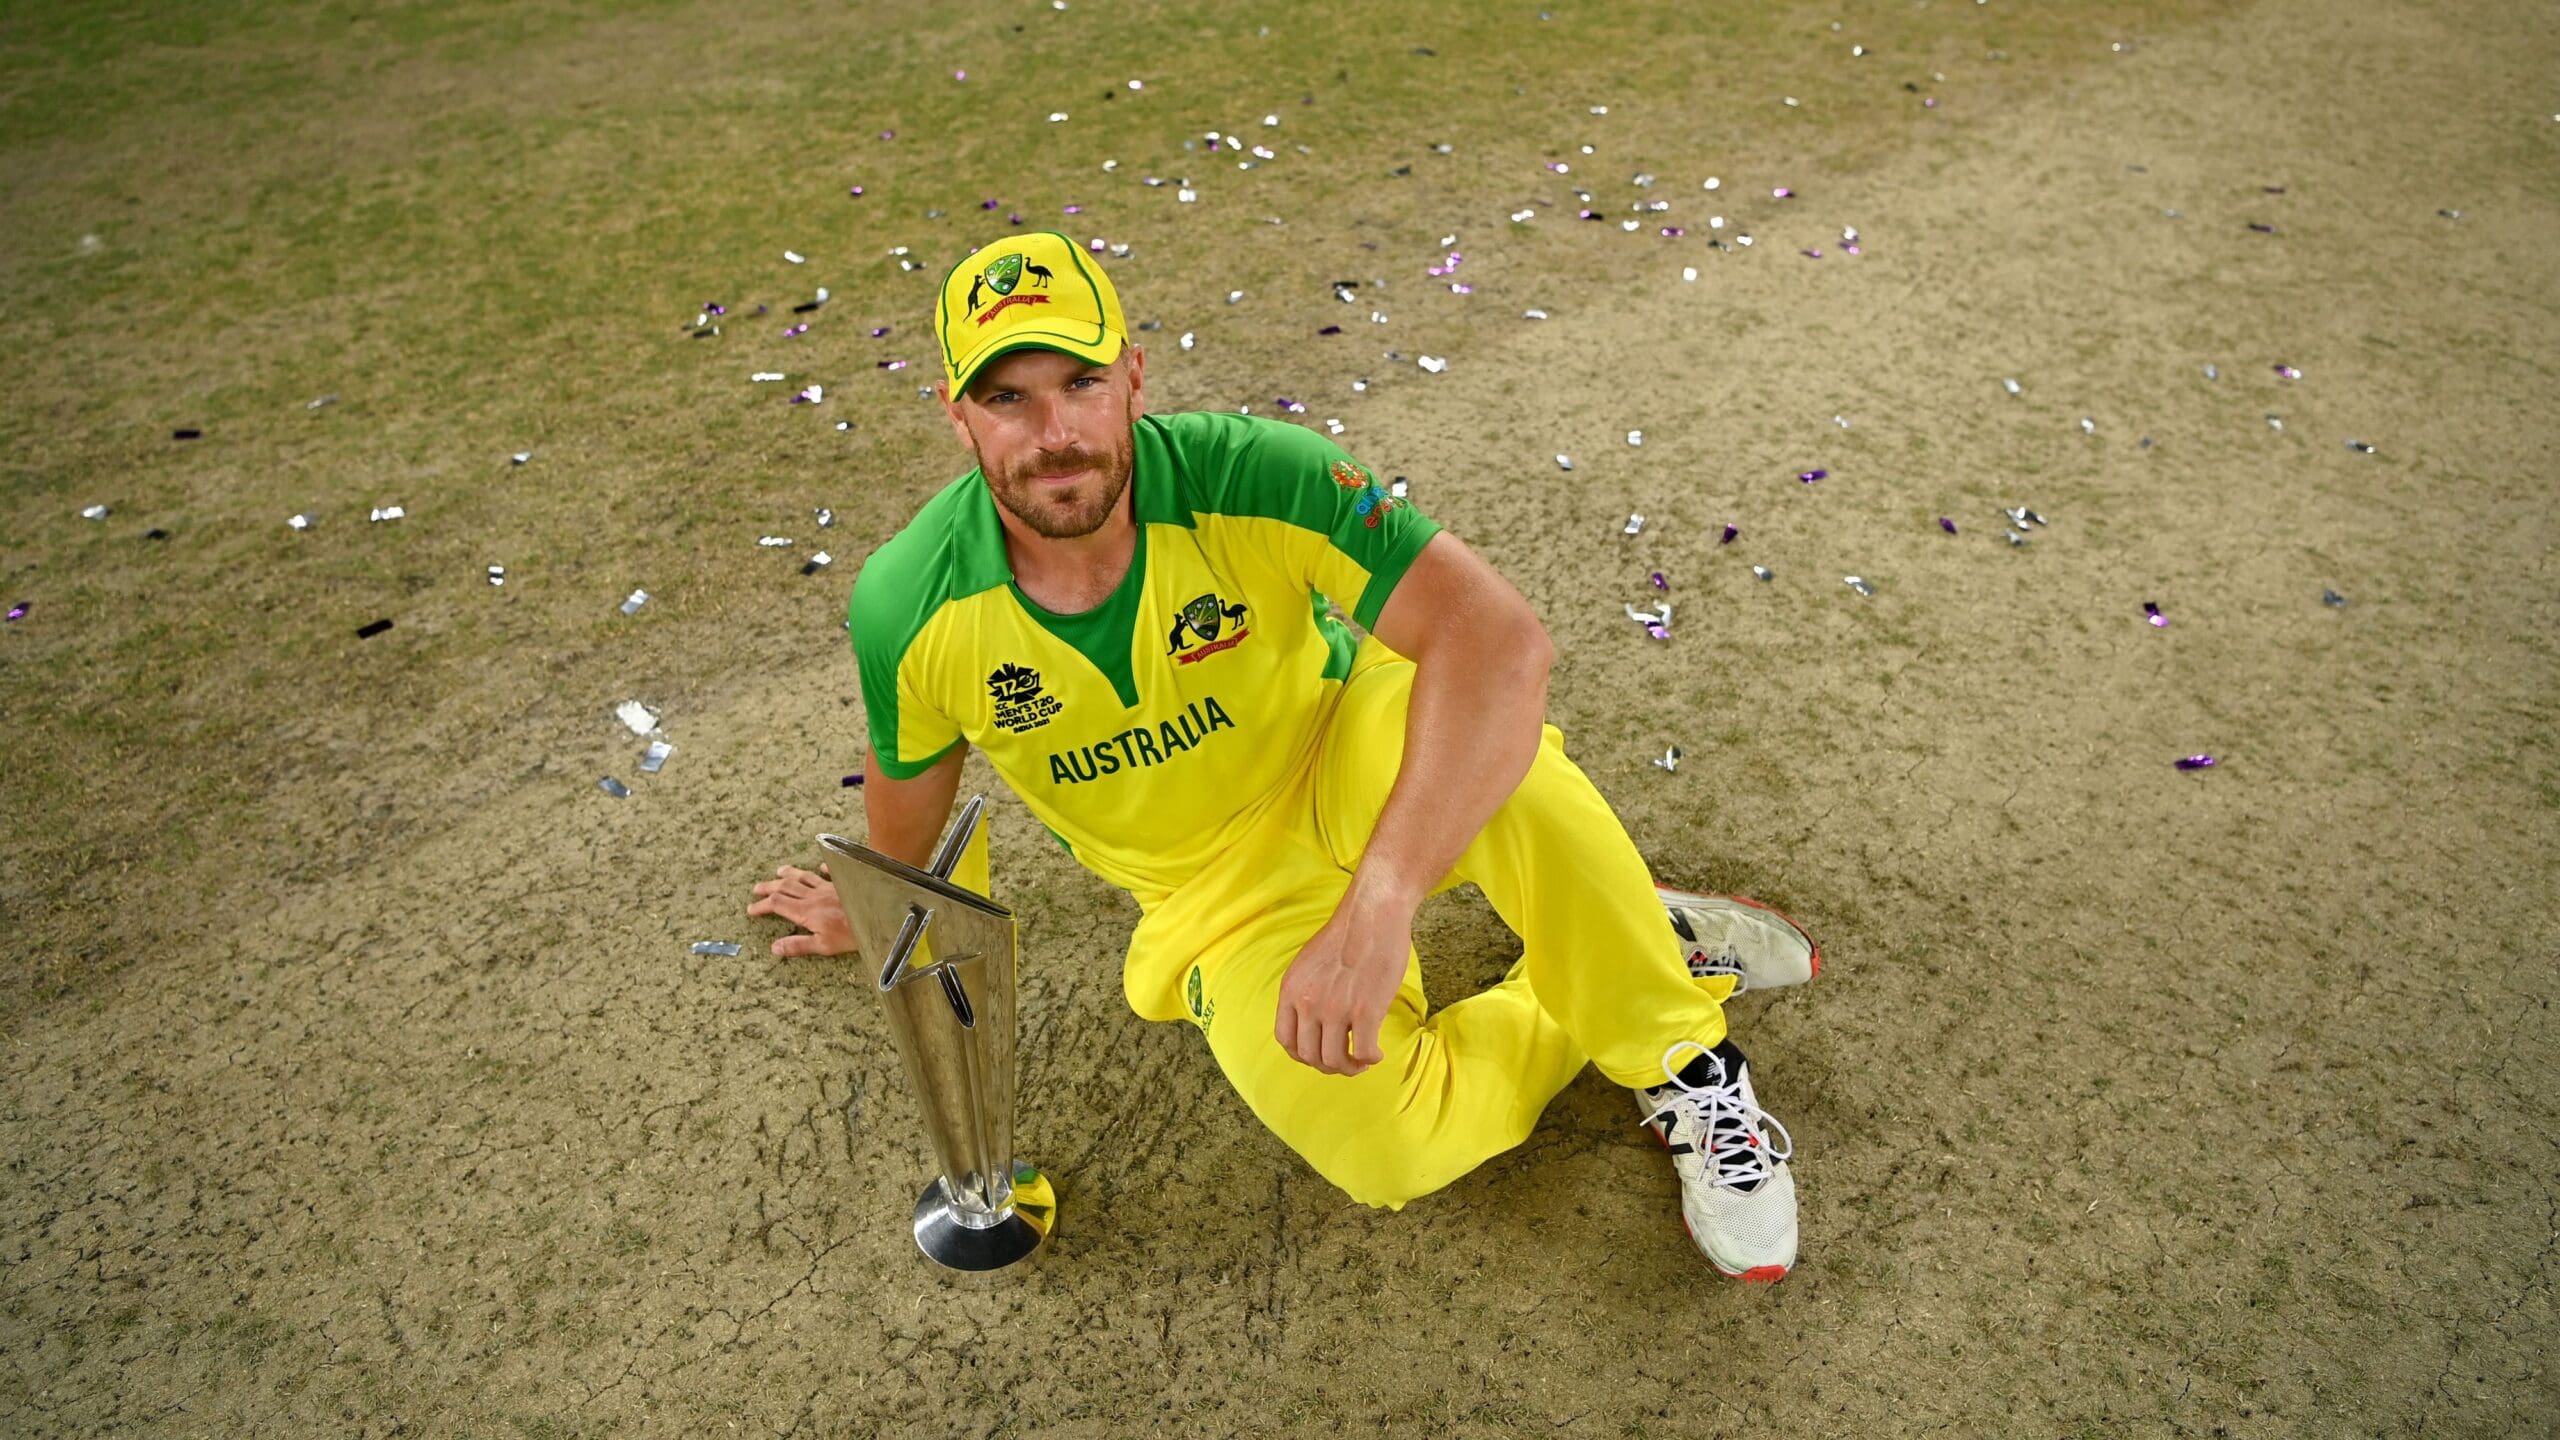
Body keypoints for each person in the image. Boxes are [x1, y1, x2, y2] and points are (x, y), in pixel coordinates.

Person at [747, 232, 1821, 1281]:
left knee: (1518, 781)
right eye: (1006, 398)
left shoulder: (1257, 472)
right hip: (1208, 893)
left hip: (1344, 748)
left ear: (1132, 377)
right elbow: (909, 778)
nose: (1053, 432)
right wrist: (871, 907)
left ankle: (1683, 1060)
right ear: (956, 417)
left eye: (1078, 381)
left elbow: (1497, 647)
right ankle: (1625, 941)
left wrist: (1382, 899)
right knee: (1392, 1151)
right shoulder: (908, 602)